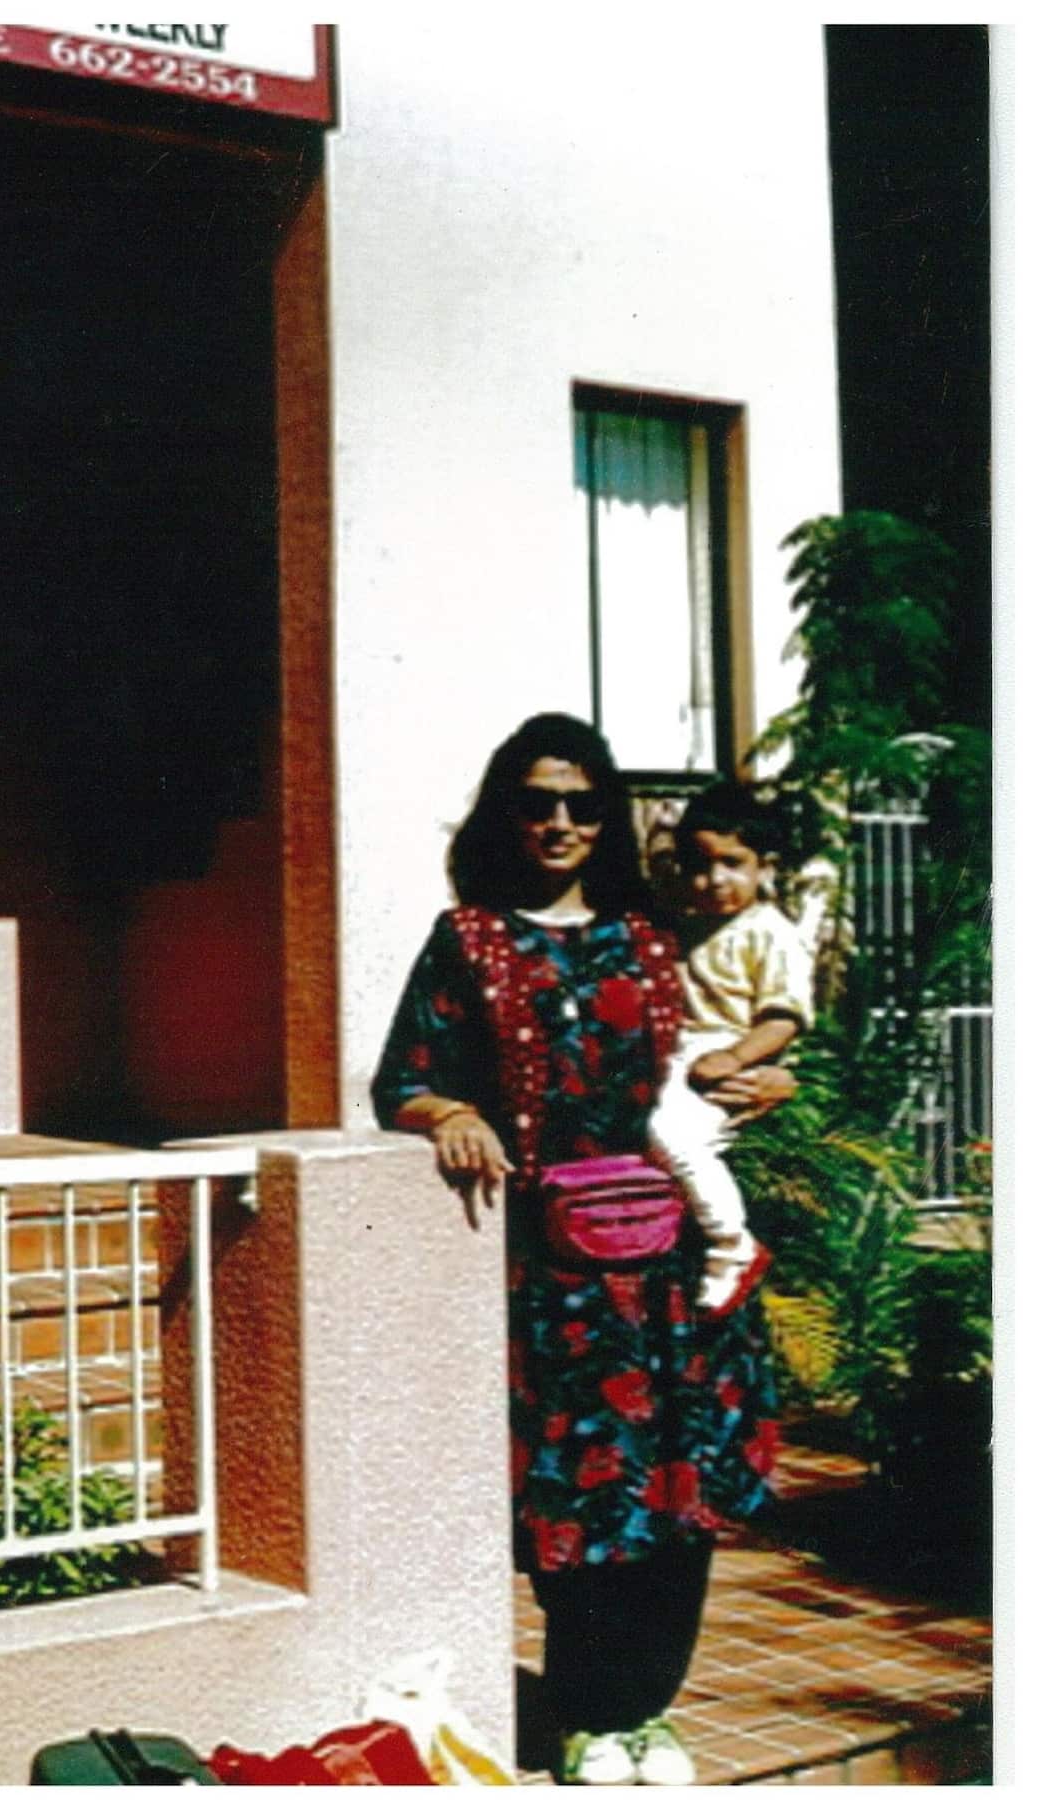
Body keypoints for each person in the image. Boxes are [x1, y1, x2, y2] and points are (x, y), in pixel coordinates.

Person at [371, 714, 791, 1787]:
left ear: (607, 815)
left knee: (676, 1496)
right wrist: (445, 1113)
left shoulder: (653, 934)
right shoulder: (466, 938)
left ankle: (648, 1711)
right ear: (505, 811)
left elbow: (725, 1053)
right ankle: (591, 1712)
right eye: (536, 799)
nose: (558, 821)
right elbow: (401, 1078)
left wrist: (762, 1080)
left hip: (671, 1270)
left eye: (580, 802)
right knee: (579, 1494)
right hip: (551, 1276)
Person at [649, 782, 815, 1314]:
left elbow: (783, 1017)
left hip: (722, 1054)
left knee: (672, 1135)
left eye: (731, 862)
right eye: (699, 863)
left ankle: (730, 1244)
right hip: (681, 1054)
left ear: (764, 866)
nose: (713, 879)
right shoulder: (686, 925)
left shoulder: (768, 931)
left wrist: (738, 1058)